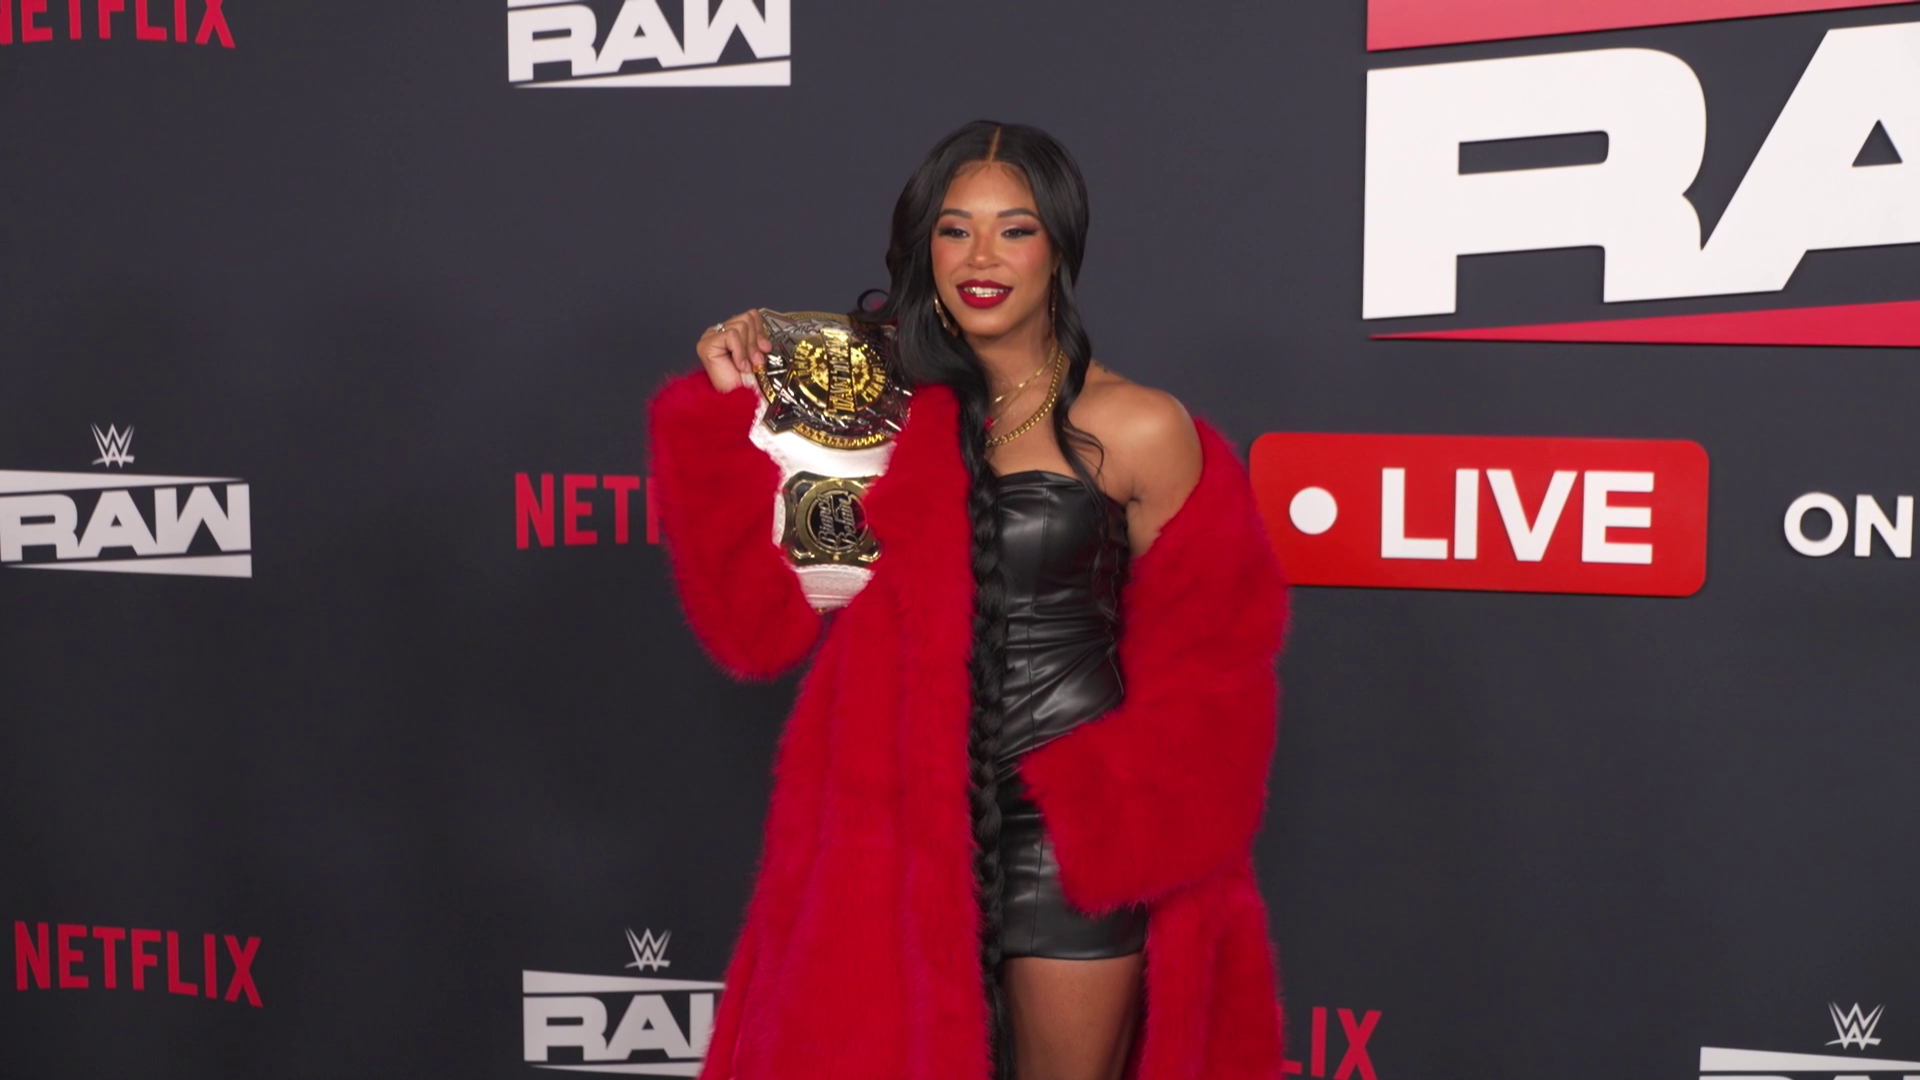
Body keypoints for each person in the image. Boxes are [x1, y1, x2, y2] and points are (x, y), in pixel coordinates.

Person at [648, 121, 1288, 1080]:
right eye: (956, 230)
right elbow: (754, 629)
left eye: (1014, 229)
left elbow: (1214, 663)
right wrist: (728, 401)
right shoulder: (861, 411)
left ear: (1060, 248)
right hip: (896, 825)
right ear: (925, 248)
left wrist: (1117, 817)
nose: (982, 257)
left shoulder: (1139, 426)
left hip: (1070, 841)